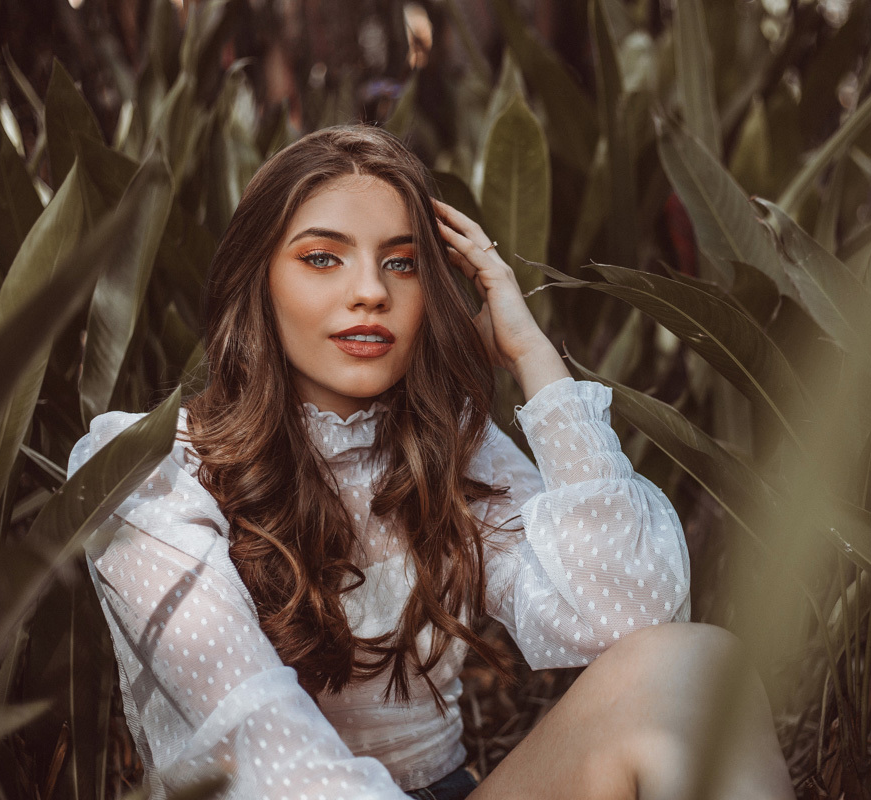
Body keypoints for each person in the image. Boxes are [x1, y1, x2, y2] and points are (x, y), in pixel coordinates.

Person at [70, 125, 794, 800]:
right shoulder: (148, 468)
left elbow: (631, 614)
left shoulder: (450, 449)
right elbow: (252, 731)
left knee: (694, 664)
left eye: (402, 263)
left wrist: (532, 359)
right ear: (256, 280)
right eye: (323, 257)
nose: (370, 292)